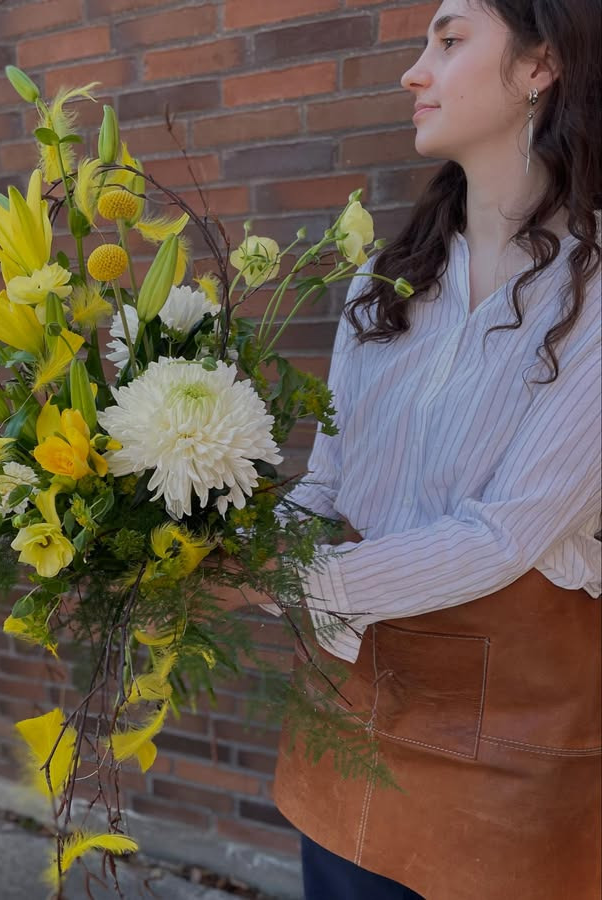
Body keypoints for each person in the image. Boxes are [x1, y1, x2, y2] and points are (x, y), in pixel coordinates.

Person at [215, 1, 602, 897]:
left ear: (540, 65)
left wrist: (289, 582)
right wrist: (206, 550)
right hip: (351, 711)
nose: (413, 71)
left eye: (450, 39)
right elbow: (330, 483)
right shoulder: (389, 279)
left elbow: (509, 535)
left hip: (511, 748)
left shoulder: (591, 289)